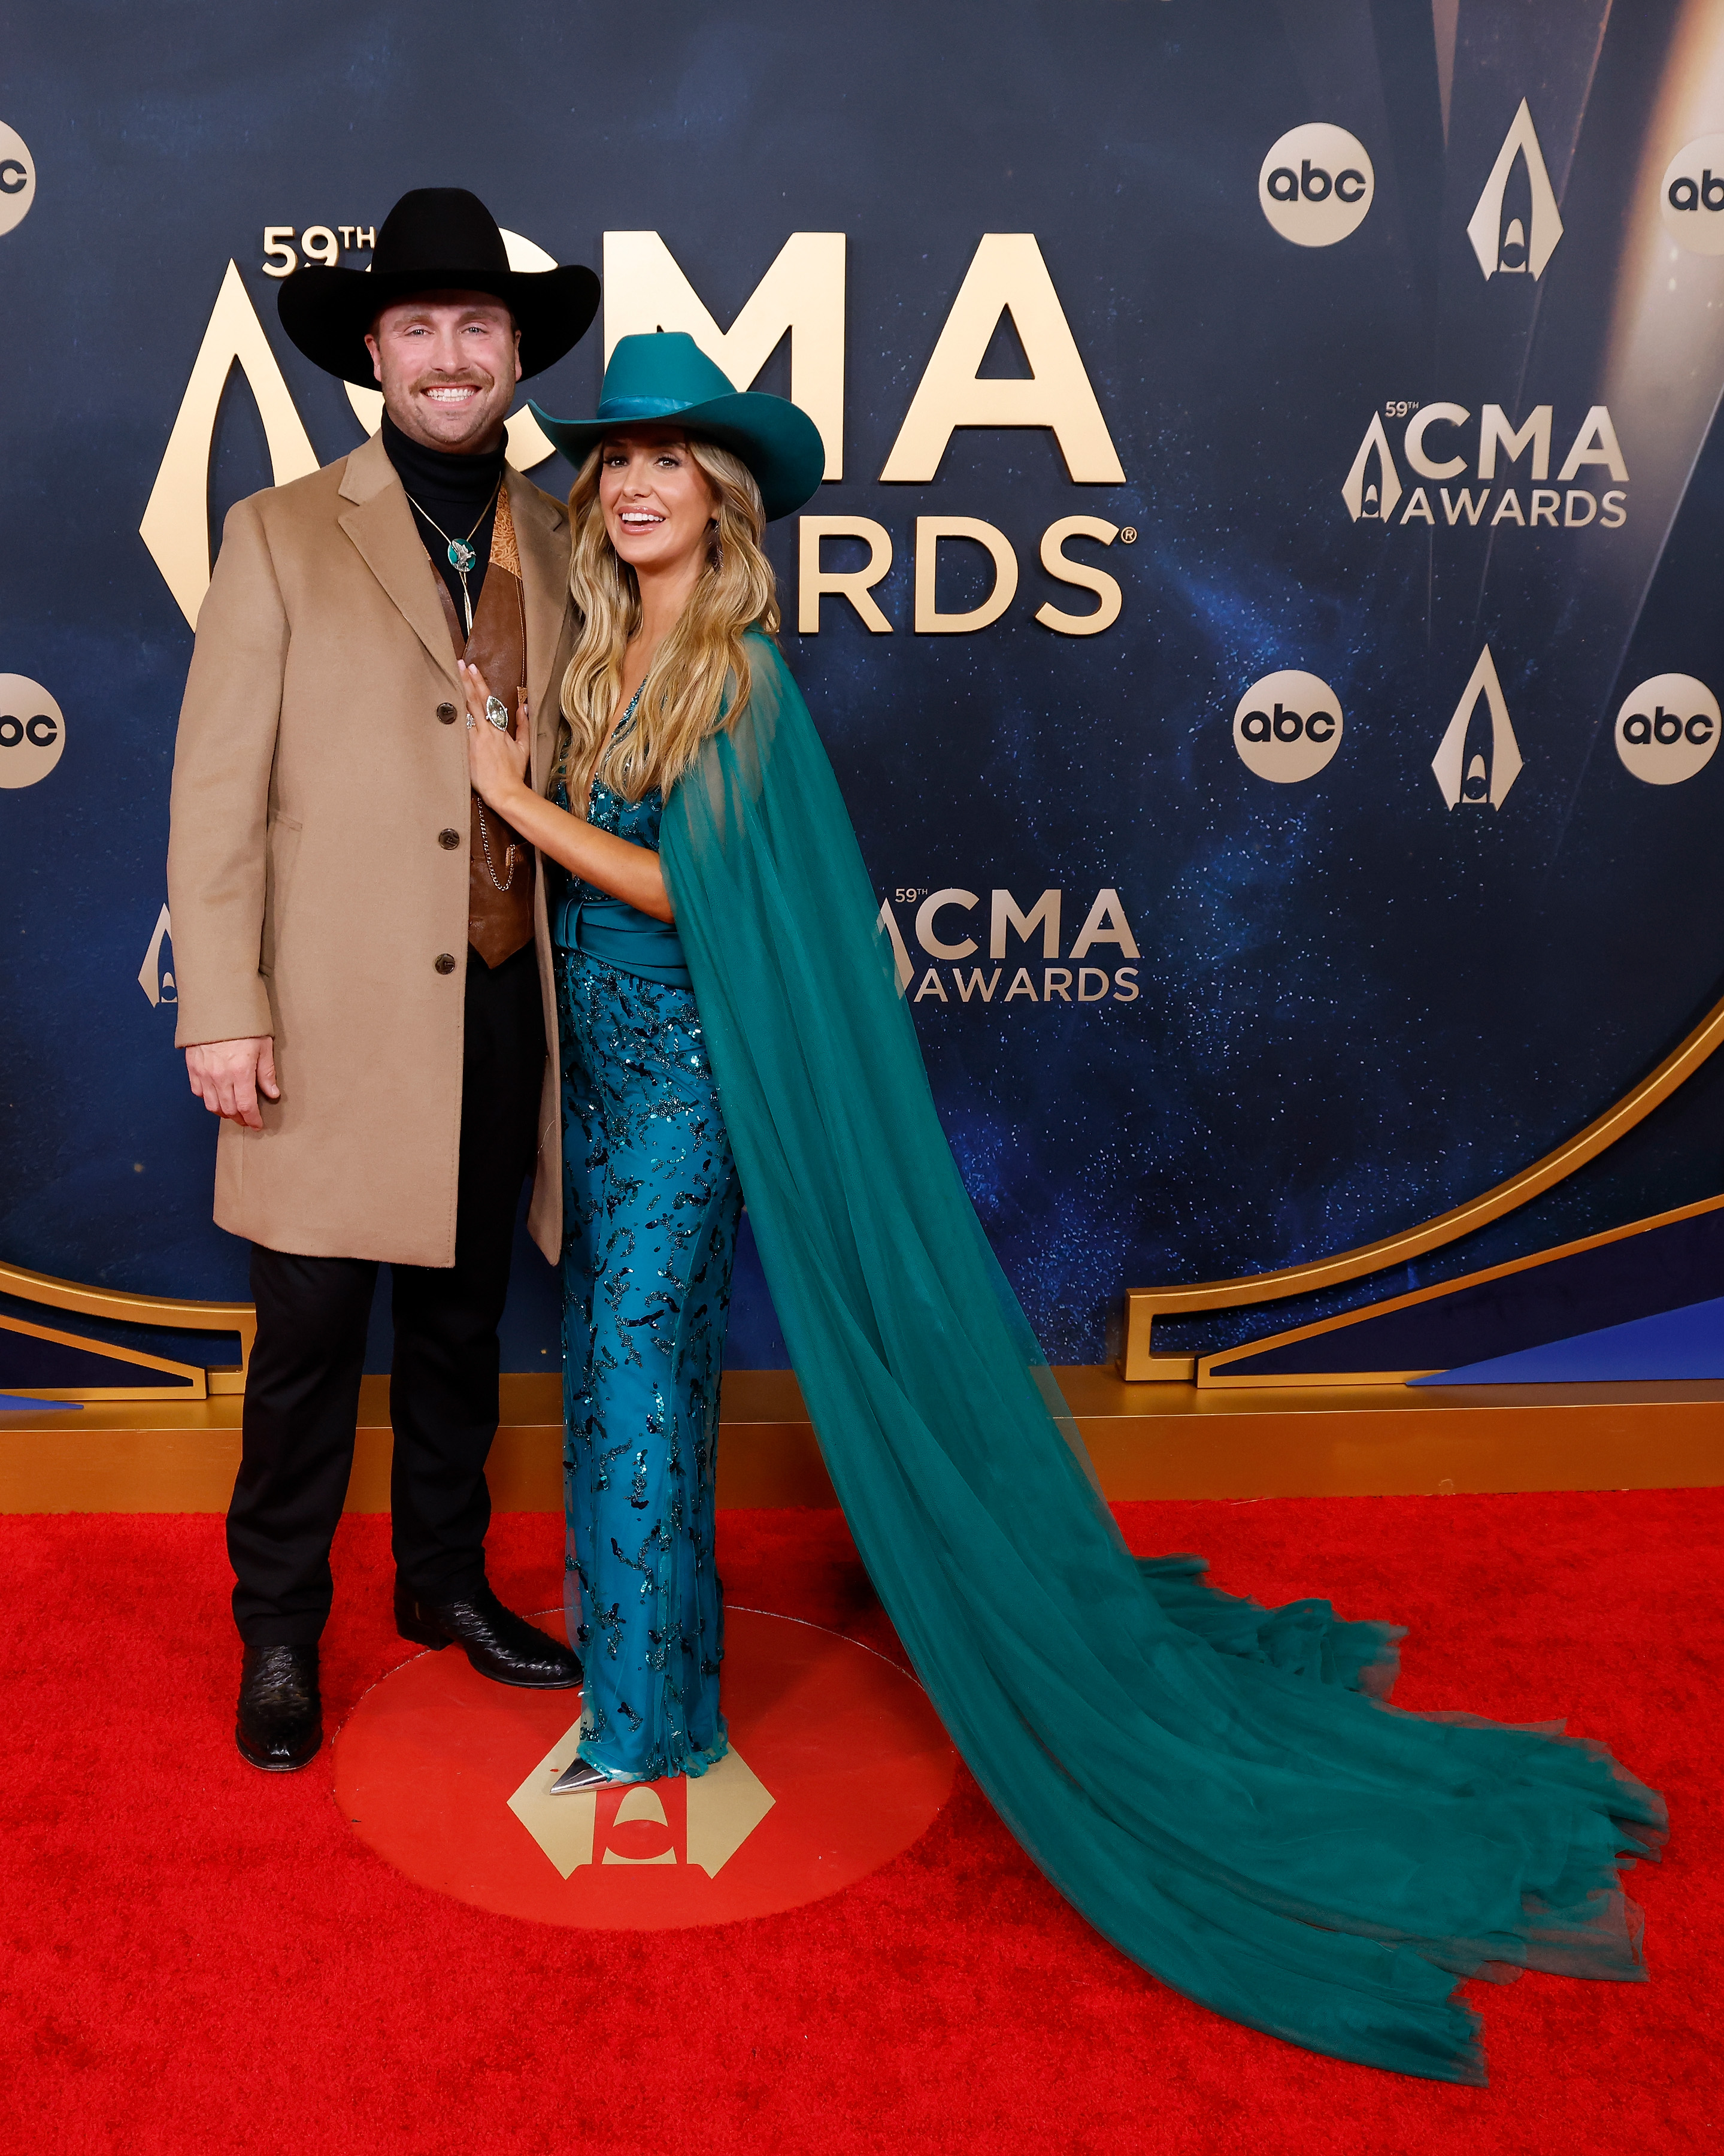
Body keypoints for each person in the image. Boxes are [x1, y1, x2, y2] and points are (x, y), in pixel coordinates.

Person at [460, 331, 1667, 2084]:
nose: (638, 487)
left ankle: (643, 1733)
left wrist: (510, 802)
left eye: (671, 463)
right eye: (618, 463)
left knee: (639, 1377)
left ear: (722, 500)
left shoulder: (740, 672)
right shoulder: (602, 653)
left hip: (701, 1084)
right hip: (607, 1082)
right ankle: (656, 1688)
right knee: (619, 1369)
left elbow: (690, 892)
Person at [166, 189, 599, 1773]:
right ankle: (280, 1629)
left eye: (477, 325)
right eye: (418, 326)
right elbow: (217, 794)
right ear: (374, 353)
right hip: (330, 1018)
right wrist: (225, 1003)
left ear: (516, 353)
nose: (449, 354)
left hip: (504, 1003)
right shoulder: (280, 531)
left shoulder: (567, 535)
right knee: (303, 1351)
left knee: (461, 1327)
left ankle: (442, 1585)